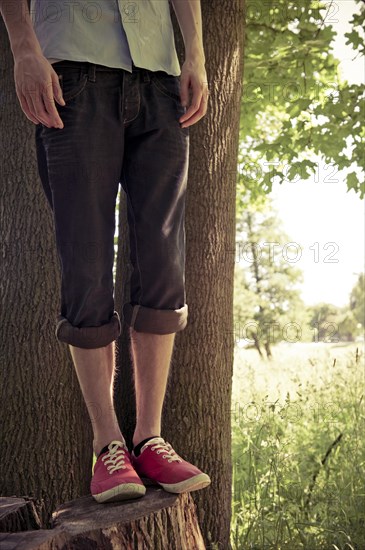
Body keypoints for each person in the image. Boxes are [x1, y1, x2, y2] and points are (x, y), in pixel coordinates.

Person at [0, 0, 210, 503]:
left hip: (161, 77)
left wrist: (196, 54)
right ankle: (107, 444)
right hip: (72, 69)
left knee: (163, 261)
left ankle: (150, 438)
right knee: (86, 260)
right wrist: (24, 47)